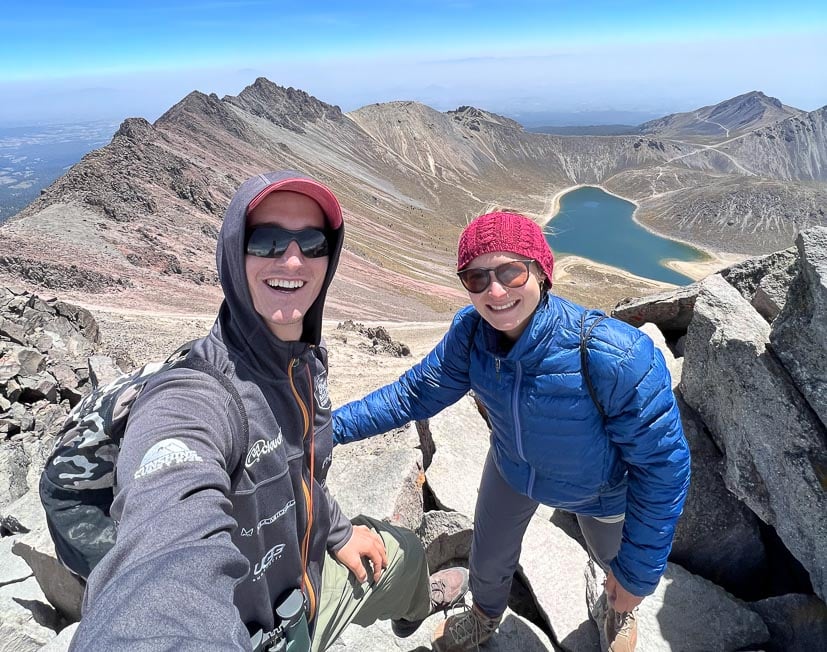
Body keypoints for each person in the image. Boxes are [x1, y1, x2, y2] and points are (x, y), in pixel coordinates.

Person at [69, 170, 467, 651]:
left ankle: (414, 613)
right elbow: (164, 560)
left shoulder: (302, 364)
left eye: (313, 242)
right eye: (268, 241)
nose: (293, 259)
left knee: (403, 555)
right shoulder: (195, 397)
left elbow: (298, 469)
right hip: (249, 634)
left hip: (309, 590)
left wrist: (337, 532)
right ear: (234, 255)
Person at [334, 210, 691, 652]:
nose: (495, 291)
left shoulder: (614, 355)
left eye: (511, 271)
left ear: (542, 271)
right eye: (476, 278)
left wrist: (638, 576)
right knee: (489, 555)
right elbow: (410, 396)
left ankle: (619, 605)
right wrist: (326, 429)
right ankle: (484, 615)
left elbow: (663, 468)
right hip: (512, 469)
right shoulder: (471, 335)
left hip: (599, 489)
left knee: (614, 560)